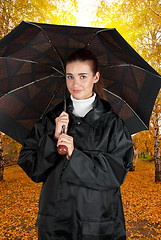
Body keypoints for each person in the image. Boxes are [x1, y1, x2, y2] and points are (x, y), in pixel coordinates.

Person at [18, 49, 133, 240]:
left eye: (82, 76)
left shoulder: (113, 124)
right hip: (56, 224)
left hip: (98, 226)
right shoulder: (51, 119)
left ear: (96, 77)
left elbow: (114, 175)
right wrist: (52, 140)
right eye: (70, 76)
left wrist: (74, 155)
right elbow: (34, 170)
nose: (75, 83)